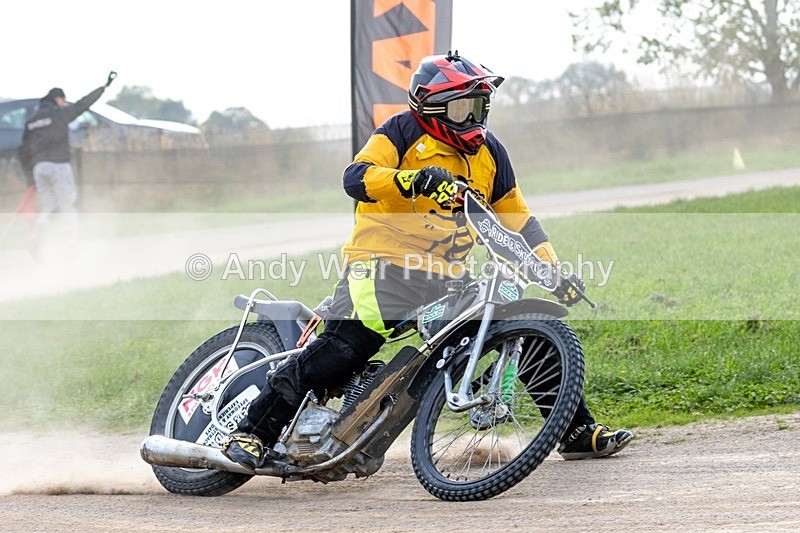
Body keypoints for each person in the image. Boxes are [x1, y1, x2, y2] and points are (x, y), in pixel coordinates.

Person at [223, 52, 633, 467]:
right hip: (379, 264)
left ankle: (575, 432)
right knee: (346, 348)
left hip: (446, 277)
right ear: (431, 108)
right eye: (461, 109)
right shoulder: (401, 131)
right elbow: (356, 177)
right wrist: (413, 180)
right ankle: (252, 433)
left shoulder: (491, 153)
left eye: (479, 107)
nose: (472, 119)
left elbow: (521, 222)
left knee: (519, 327)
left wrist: (552, 269)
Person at [19, 72, 116, 249]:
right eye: (63, 101)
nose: (64, 104)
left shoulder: (31, 122)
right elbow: (82, 105)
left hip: (39, 168)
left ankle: (36, 238)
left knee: (49, 206)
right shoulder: (59, 114)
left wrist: (29, 178)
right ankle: (71, 245)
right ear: (58, 99)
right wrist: (103, 87)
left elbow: (23, 151)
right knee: (67, 205)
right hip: (59, 166)